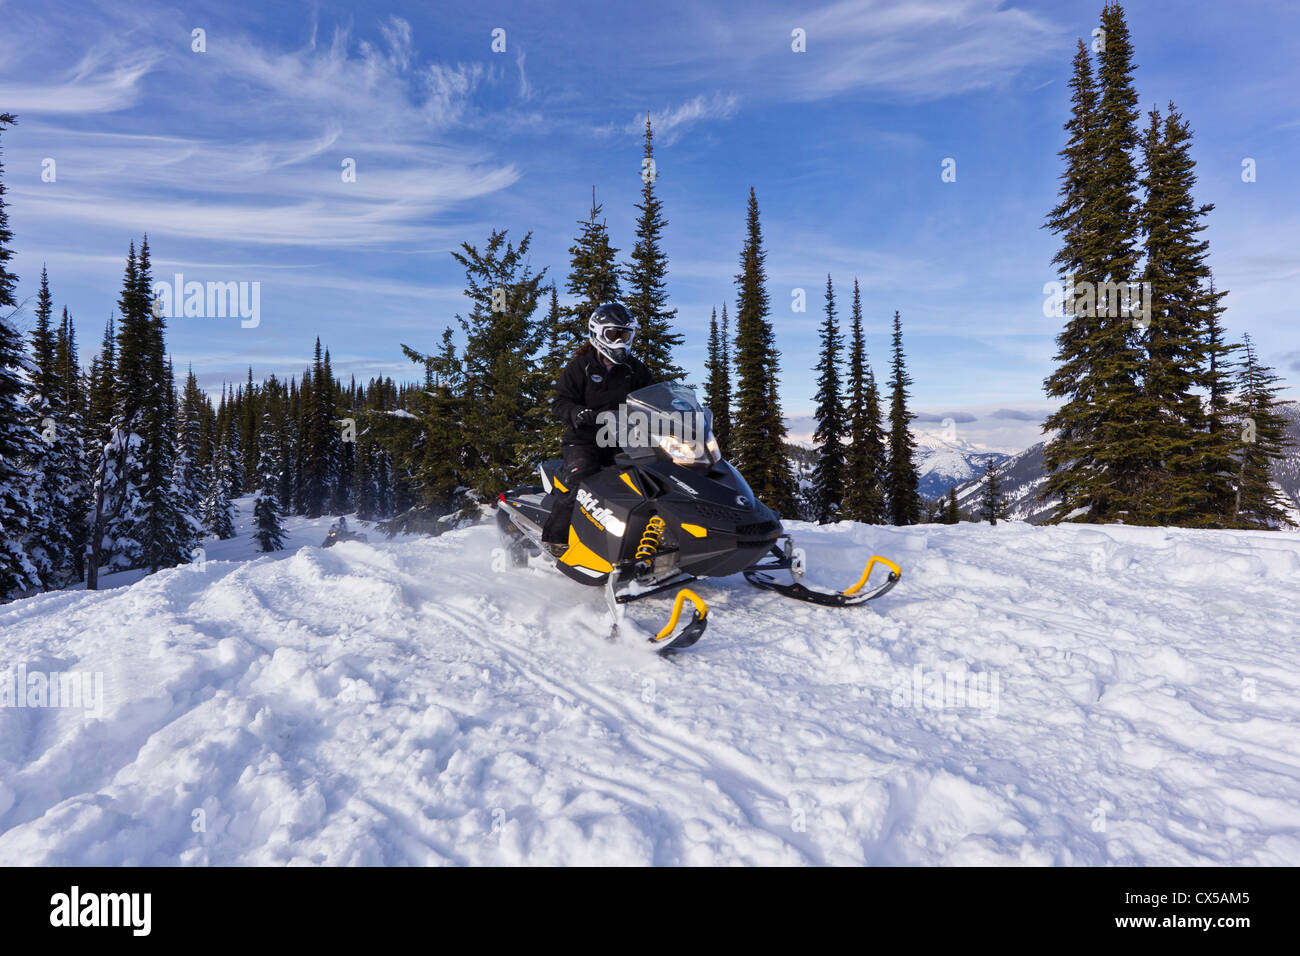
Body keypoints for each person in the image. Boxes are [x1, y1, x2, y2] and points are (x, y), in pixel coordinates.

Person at [542, 303, 652, 555]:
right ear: (598, 333)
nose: (620, 341)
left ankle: (645, 540)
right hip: (584, 440)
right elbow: (560, 402)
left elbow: (651, 398)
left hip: (624, 441)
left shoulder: (635, 370)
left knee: (649, 479)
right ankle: (556, 539)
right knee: (580, 479)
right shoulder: (581, 367)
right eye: (615, 335)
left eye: (625, 335)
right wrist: (578, 413)